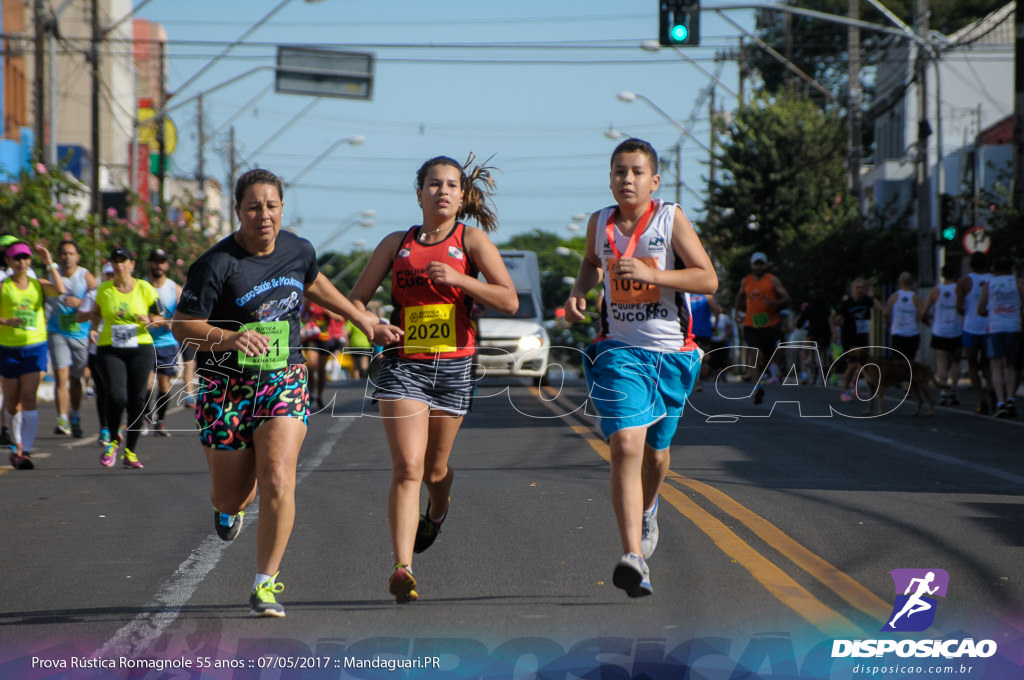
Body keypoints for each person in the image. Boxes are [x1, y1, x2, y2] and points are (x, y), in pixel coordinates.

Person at [172, 168, 397, 618]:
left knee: (278, 473)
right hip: (225, 385)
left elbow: (315, 284)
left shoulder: (298, 250)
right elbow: (183, 327)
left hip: (282, 376)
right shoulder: (216, 264)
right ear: (238, 211)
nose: (264, 215)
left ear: (281, 208)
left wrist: (363, 319)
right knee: (230, 495)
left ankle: (265, 582)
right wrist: (233, 339)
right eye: (253, 206)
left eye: (271, 205)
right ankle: (230, 507)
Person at [348, 154, 517, 604]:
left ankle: (438, 506)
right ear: (419, 192)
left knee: (433, 470)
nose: (442, 191)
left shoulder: (472, 241)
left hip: (454, 367)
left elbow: (509, 300)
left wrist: (463, 280)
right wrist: (372, 325)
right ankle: (403, 567)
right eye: (434, 184)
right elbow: (356, 301)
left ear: (462, 196)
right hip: (404, 364)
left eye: (451, 185)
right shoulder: (395, 242)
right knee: (407, 467)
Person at [564, 138, 717, 597]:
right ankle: (633, 556)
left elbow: (707, 279)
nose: (626, 179)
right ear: (609, 178)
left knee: (655, 454)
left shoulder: (671, 219)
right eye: (618, 172)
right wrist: (579, 292)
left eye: (635, 172)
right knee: (625, 445)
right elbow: (593, 263)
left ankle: (650, 507)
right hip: (618, 352)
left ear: (654, 180)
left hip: (672, 355)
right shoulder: (599, 223)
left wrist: (654, 275)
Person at [89, 246, 163, 469]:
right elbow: (95, 313)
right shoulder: (104, 290)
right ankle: (112, 440)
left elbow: (161, 317)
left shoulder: (145, 288)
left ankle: (130, 451)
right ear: (111, 265)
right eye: (116, 261)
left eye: (124, 261)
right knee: (117, 395)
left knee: (137, 400)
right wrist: (93, 328)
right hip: (110, 348)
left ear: (132, 264)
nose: (119, 265)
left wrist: (149, 319)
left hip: (140, 348)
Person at [1, 242, 66, 469]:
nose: (22, 263)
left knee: (28, 398)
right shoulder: (3, 287)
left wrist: (50, 263)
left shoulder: (38, 284)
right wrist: (5, 321)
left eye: (26, 258)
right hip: (8, 348)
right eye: (16, 259)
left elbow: (60, 290)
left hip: (35, 346)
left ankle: (25, 451)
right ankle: (14, 444)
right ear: (8, 262)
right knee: (12, 403)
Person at [45, 240, 96, 438]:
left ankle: (75, 414)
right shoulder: (52, 274)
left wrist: (80, 302)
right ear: (58, 256)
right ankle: (62, 419)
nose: (67, 257)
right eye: (64, 253)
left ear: (77, 257)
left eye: (71, 253)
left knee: (76, 380)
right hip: (57, 331)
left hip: (80, 333)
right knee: (61, 375)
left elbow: (97, 298)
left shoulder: (85, 275)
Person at [734, 251, 790, 404]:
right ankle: (756, 387)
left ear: (765, 265)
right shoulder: (746, 281)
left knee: (766, 357)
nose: (758, 266)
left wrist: (774, 304)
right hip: (751, 324)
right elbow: (739, 296)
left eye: (761, 263)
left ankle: (762, 375)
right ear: (752, 265)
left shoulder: (772, 280)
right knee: (754, 355)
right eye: (756, 263)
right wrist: (738, 313)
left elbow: (786, 298)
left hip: (770, 324)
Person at [977, 255, 1023, 419]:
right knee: (1010, 366)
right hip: (1013, 328)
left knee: (995, 366)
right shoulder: (1018, 283)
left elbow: (980, 309)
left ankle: (1000, 402)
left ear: (994, 268)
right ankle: (1011, 397)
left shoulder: (989, 285)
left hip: (995, 328)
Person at [144, 248, 181, 436]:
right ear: (149, 263)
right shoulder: (141, 286)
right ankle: (145, 416)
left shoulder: (174, 289)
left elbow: (184, 316)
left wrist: (170, 323)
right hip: (144, 342)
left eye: (162, 261)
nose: (158, 265)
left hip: (167, 343)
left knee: (164, 385)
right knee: (146, 384)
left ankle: (160, 421)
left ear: (166, 265)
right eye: (155, 261)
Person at [832, 278, 883, 401]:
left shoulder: (867, 301)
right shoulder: (846, 303)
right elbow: (832, 317)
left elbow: (879, 308)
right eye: (857, 288)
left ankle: (854, 385)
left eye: (862, 288)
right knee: (851, 365)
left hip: (863, 337)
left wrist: (871, 296)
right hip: (849, 337)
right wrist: (834, 331)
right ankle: (844, 391)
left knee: (864, 364)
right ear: (852, 289)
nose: (859, 290)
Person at [957, 252, 993, 414]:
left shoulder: (964, 282)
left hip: (971, 327)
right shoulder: (993, 279)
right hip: (990, 328)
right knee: (988, 364)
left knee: (972, 365)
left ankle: (981, 399)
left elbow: (959, 307)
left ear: (971, 264)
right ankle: (993, 390)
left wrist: (970, 310)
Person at [922, 263, 963, 405]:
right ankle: (954, 389)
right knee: (956, 361)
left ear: (943, 275)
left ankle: (943, 392)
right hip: (956, 329)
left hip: (939, 330)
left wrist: (930, 319)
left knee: (942, 363)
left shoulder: (935, 291)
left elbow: (923, 312)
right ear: (955, 274)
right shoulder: (959, 289)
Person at [300, 300, 346, 410]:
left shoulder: (328, 300)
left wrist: (329, 312)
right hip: (312, 337)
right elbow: (302, 317)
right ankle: (311, 393)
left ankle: (319, 395)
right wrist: (308, 320)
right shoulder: (309, 300)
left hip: (326, 339)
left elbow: (341, 318)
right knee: (311, 366)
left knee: (321, 370)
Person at [885, 271, 922, 361]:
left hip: (898, 333)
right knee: (910, 361)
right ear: (912, 282)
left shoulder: (894, 297)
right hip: (912, 333)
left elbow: (886, 313)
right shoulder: (916, 298)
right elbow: (922, 314)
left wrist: (888, 324)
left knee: (897, 362)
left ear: (899, 282)